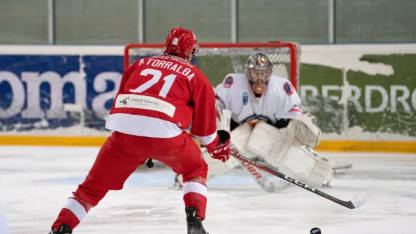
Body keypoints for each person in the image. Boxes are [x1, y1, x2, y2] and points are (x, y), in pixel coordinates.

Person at [48, 27, 231, 234]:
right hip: (166, 137)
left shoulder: (140, 64)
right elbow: (205, 135)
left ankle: (61, 228)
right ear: (191, 51)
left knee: (90, 189)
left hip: (124, 134)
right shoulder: (196, 77)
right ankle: (195, 222)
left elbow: (124, 101)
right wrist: (217, 146)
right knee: (195, 168)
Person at [178, 53, 347, 193]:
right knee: (228, 149)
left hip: (269, 133)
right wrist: (211, 116)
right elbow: (216, 102)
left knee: (266, 140)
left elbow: (295, 111)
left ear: (270, 73)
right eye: (256, 73)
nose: (259, 77)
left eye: (263, 73)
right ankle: (189, 175)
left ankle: (320, 174)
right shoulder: (233, 83)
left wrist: (299, 123)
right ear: (248, 72)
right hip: (241, 131)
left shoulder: (282, 87)